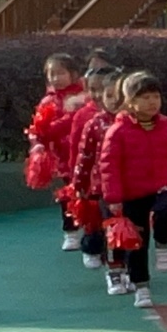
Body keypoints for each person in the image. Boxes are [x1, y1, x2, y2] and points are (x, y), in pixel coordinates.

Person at [99, 71, 167, 310]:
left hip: (161, 187)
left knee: (165, 212)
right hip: (132, 195)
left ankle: (163, 243)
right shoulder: (117, 131)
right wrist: (114, 198)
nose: (152, 102)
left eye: (156, 96)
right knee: (136, 244)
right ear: (130, 101)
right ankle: (141, 287)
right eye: (145, 97)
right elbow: (109, 167)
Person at [68, 67, 122, 282]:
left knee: (124, 227)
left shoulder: (134, 121)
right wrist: (77, 181)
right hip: (98, 184)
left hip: (127, 186)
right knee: (96, 224)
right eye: (93, 90)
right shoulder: (87, 118)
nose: (98, 95)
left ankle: (124, 268)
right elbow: (80, 151)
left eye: (105, 91)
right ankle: (94, 249)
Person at [30, 52, 87, 251]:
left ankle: (93, 229)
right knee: (67, 194)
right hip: (63, 158)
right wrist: (37, 144)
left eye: (61, 73)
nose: (56, 78)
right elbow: (38, 129)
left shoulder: (85, 97)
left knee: (90, 193)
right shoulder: (48, 102)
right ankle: (71, 231)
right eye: (51, 74)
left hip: (86, 154)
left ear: (73, 74)